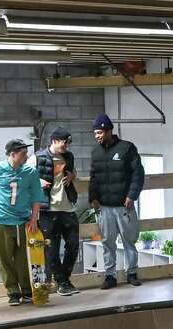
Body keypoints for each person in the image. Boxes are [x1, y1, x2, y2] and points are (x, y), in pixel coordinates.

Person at [0, 139, 43, 306]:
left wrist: (34, 218)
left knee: (23, 258)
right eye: (23, 154)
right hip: (1, 221)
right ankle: (13, 292)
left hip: (23, 221)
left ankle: (27, 290)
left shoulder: (30, 172)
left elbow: (37, 196)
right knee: (4, 258)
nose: (26, 156)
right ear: (13, 154)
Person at [89, 114, 145, 289]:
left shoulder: (127, 148)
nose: (96, 136)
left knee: (129, 241)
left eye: (99, 132)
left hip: (124, 205)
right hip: (104, 207)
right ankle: (110, 276)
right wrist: (93, 198)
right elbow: (93, 177)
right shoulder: (95, 152)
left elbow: (138, 174)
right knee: (107, 242)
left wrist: (132, 196)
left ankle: (132, 272)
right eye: (95, 133)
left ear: (108, 130)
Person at [35, 127, 81, 297]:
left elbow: (71, 170)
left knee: (73, 245)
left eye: (68, 143)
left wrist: (73, 175)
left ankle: (64, 280)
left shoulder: (68, 156)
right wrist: (37, 181)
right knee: (52, 250)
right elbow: (23, 176)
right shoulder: (38, 157)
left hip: (68, 207)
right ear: (54, 141)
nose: (66, 147)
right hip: (48, 209)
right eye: (64, 143)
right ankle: (63, 283)